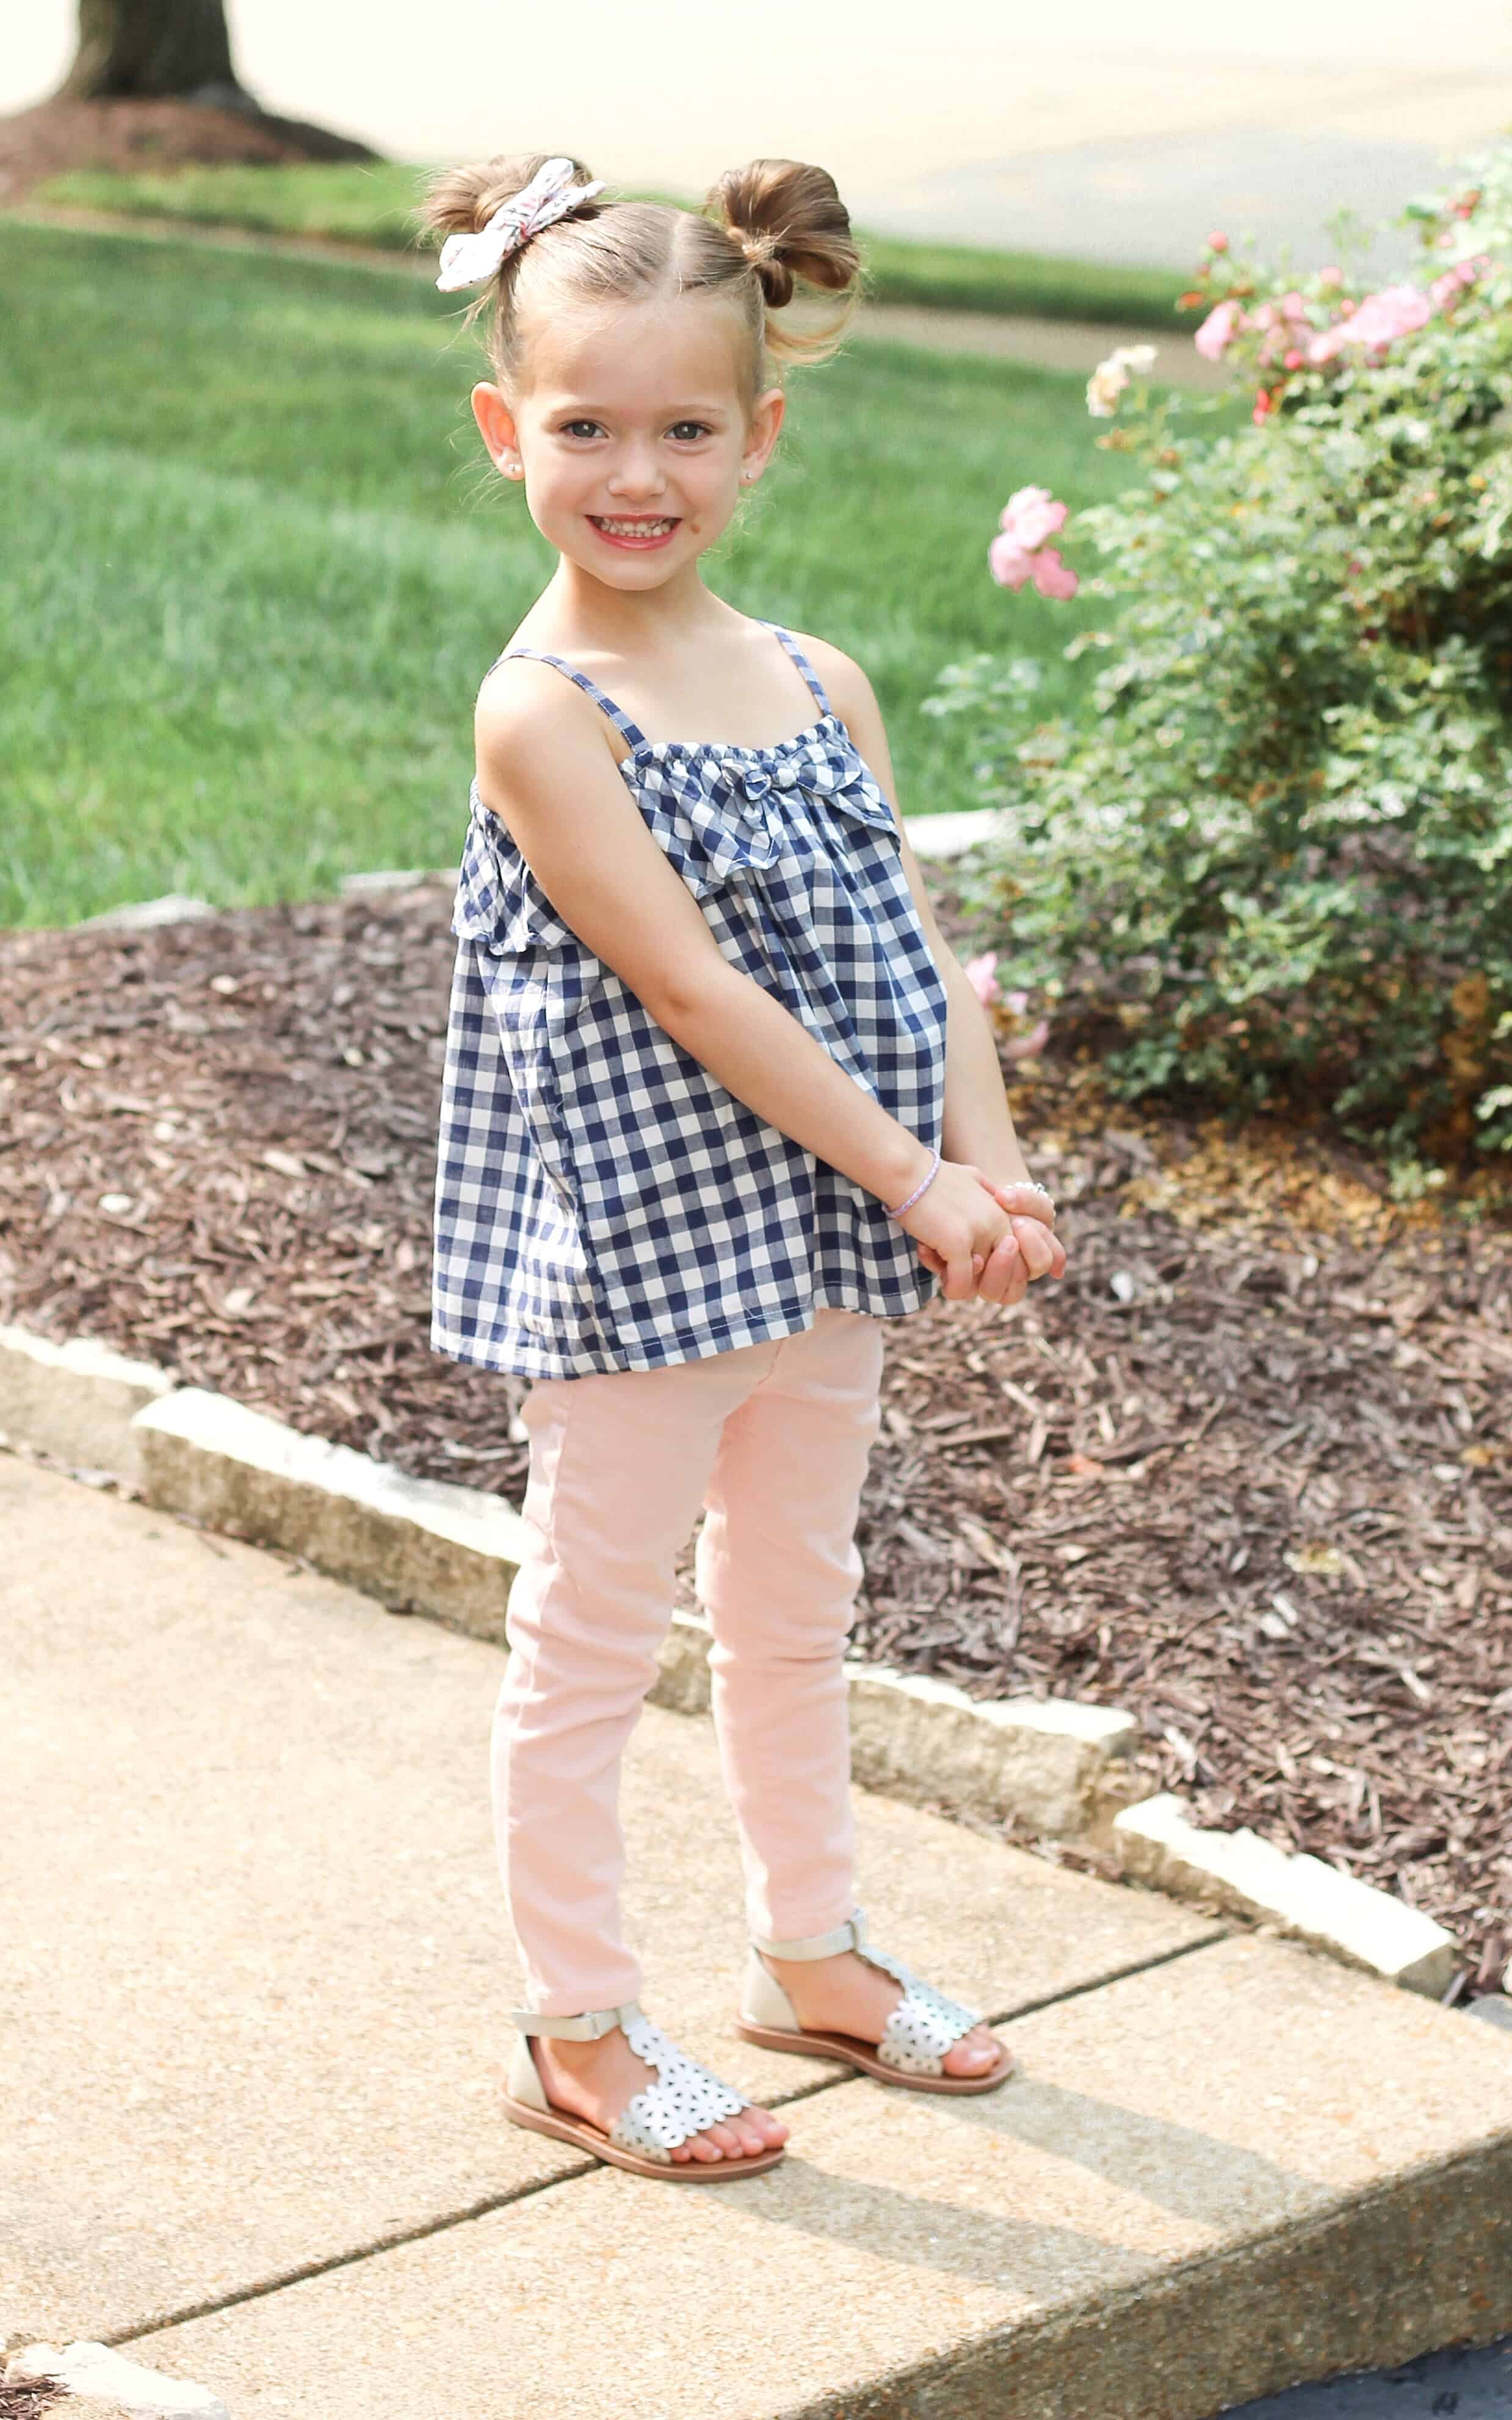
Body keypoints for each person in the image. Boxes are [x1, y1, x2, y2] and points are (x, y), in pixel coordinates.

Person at [429, 150, 1066, 2185]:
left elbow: (911, 946)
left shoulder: (817, 683)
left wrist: (996, 1154)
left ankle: (815, 1955)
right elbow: (698, 995)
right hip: (643, 1258)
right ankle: (578, 2025)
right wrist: (922, 1186)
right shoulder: (545, 714)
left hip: (825, 1238)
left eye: (686, 426)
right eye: (587, 425)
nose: (640, 471)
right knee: (593, 1633)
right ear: (502, 429)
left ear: (760, 434)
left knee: (795, 1603)